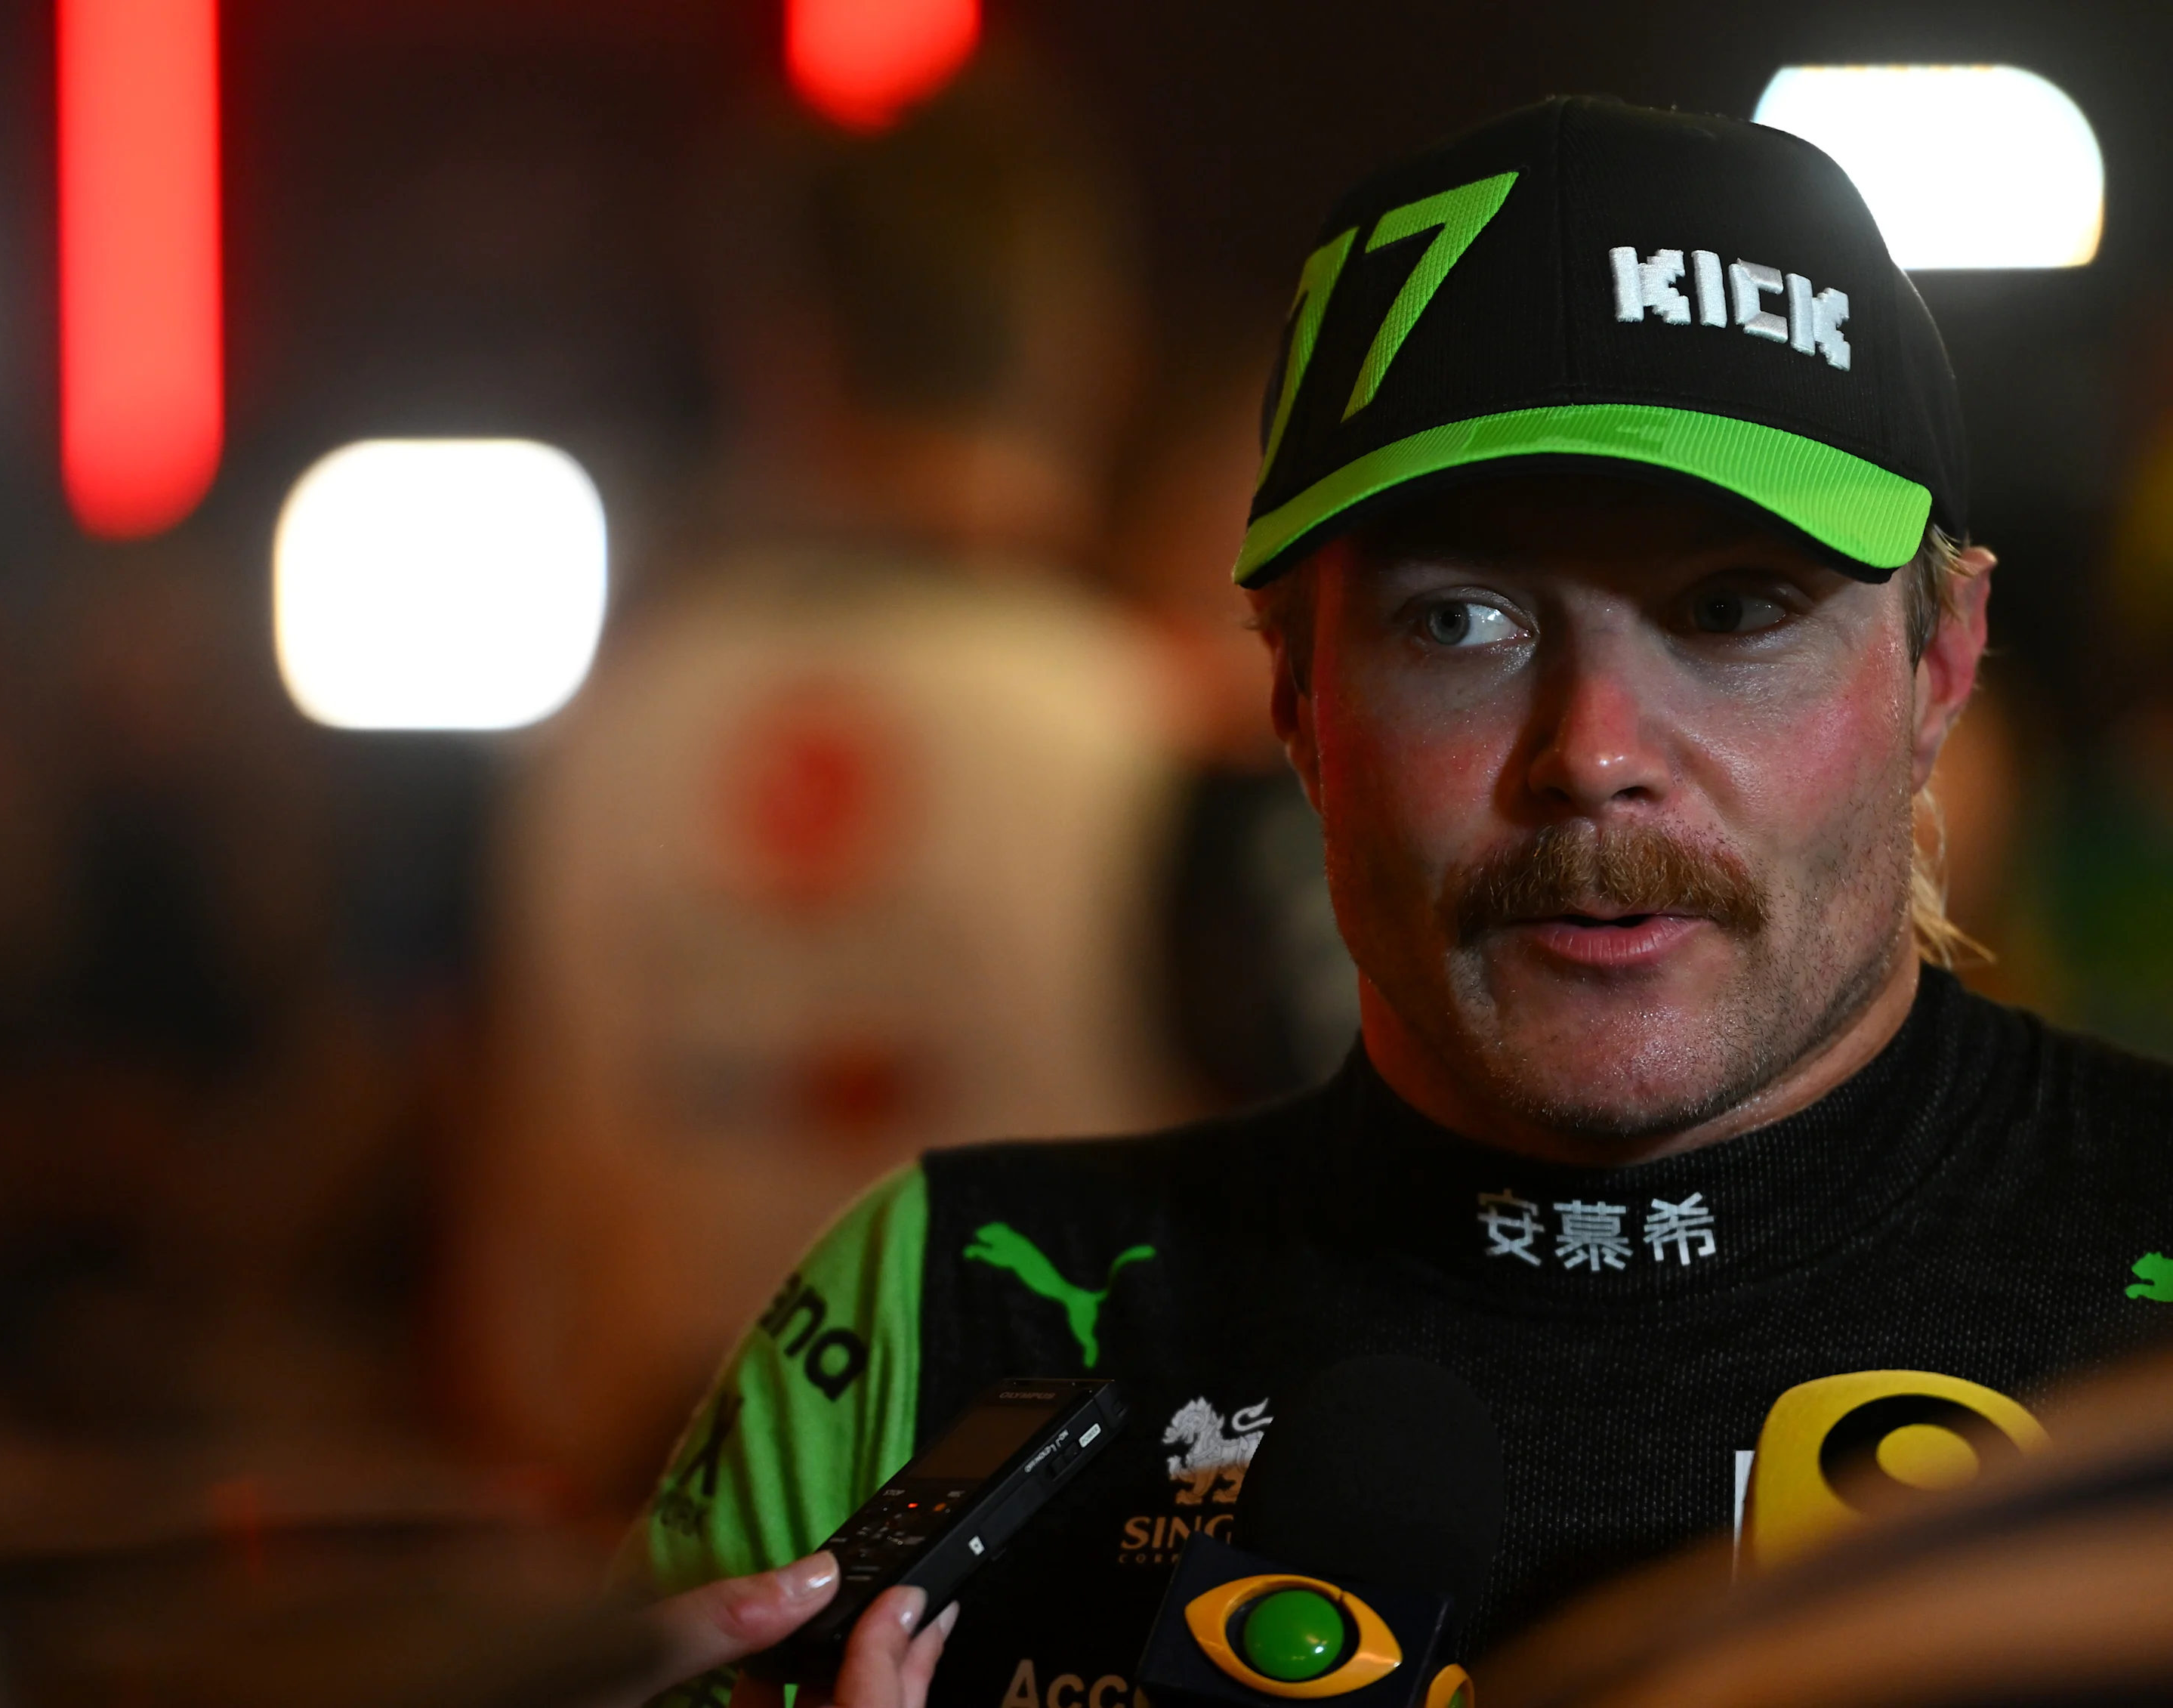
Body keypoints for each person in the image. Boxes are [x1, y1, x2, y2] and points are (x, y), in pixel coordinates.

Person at [620, 97, 2173, 1707]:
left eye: (1731, 607)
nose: (1592, 753)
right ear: (1288, 692)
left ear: (1942, 659)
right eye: (1463, 620)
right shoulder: (950, 1303)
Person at [458, 63, 1189, 1501]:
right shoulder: (1168, 738)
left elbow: (510, 1308)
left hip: (687, 1570)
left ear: (781, 356)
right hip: (1072, 1581)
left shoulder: (594, 747)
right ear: (1085, 347)